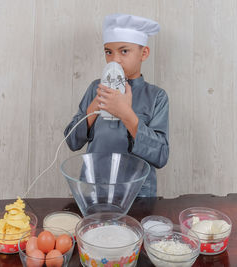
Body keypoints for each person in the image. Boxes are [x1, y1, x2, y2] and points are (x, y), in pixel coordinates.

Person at [64, 13, 169, 197]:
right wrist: (94, 108)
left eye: (124, 51)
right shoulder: (94, 89)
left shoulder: (156, 97)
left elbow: (161, 155)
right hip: (93, 191)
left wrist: (127, 115)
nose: (115, 60)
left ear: (143, 53)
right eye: (108, 52)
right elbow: (72, 142)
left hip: (138, 195)